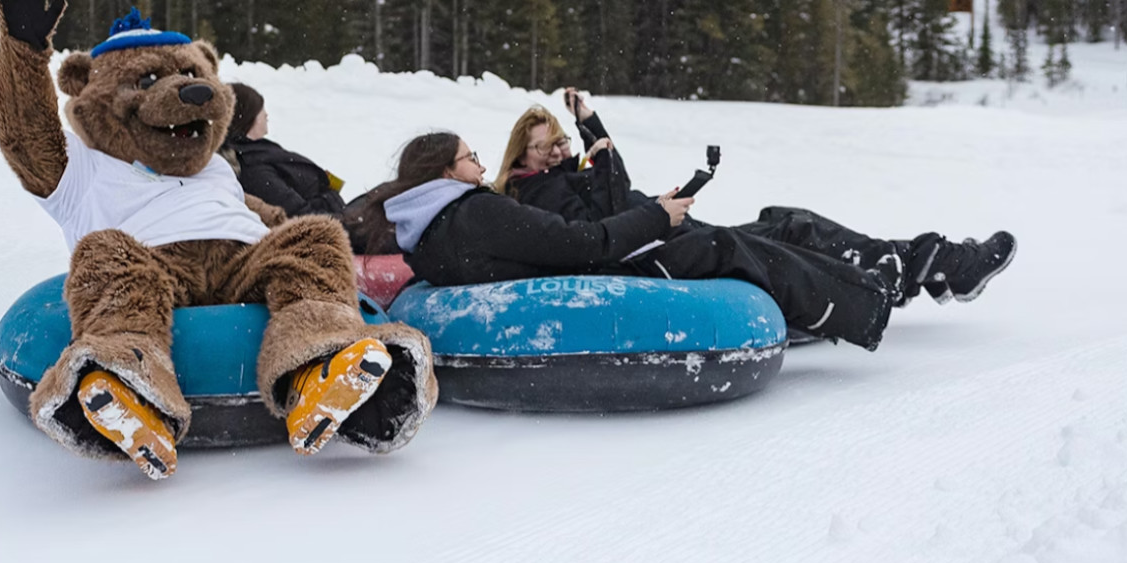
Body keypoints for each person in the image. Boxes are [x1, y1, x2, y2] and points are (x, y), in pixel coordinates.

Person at [355, 132, 907, 351]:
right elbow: (585, 242)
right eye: (469, 157)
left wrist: (650, 209)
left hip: (585, 269)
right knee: (728, 248)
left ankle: (853, 286)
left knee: (751, 235)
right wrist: (658, 220)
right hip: (607, 276)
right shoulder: (478, 212)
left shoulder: (427, 234)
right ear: (447, 173)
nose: (479, 163)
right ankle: (864, 303)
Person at [493, 88, 1017, 307]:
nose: (560, 151)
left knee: (788, 224)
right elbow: (603, 229)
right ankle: (934, 263)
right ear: (524, 154)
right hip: (670, 257)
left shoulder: (551, 181)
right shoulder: (539, 191)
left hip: (674, 238)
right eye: (549, 146)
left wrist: (591, 129)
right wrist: (607, 161)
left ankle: (924, 269)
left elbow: (611, 203)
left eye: (561, 141)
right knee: (793, 229)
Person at [222, 82, 347, 219]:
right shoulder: (254, 169)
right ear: (247, 116)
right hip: (330, 225)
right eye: (260, 108)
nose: (266, 114)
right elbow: (299, 214)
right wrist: (331, 201)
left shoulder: (254, 151)